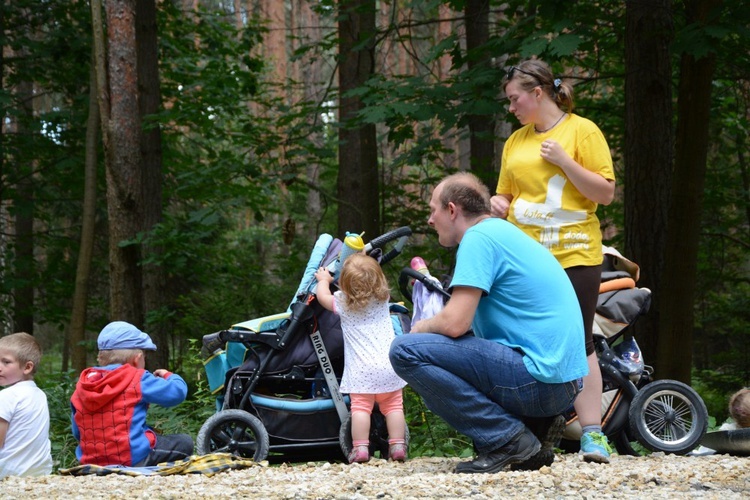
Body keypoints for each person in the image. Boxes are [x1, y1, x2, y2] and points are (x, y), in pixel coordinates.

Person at [390, 172, 587, 474]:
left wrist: (420, 327)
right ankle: (532, 429)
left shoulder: (478, 239)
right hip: (562, 384)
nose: (430, 219)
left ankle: (507, 440)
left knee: (405, 350)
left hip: (539, 379)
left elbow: (455, 323)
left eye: (433, 209)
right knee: (441, 349)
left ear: (452, 210)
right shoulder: (503, 233)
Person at [490, 59, 616, 464]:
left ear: (538, 93)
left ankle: (593, 435)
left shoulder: (583, 131)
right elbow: (506, 197)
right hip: (527, 259)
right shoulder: (515, 142)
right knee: (525, 344)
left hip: (576, 252)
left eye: (514, 99)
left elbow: (605, 193)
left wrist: (565, 160)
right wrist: (499, 203)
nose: (511, 107)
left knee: (580, 342)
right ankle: (531, 433)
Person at [315, 253, 407, 463]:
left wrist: (323, 281)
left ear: (344, 285)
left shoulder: (343, 302)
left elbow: (322, 297)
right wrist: (365, 262)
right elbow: (368, 276)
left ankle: (361, 449)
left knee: (360, 410)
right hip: (389, 367)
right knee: (393, 407)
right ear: (379, 280)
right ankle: (398, 445)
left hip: (361, 372)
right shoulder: (383, 299)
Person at [70, 321, 194, 467]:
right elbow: (177, 393)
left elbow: (77, 432)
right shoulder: (137, 378)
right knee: (185, 442)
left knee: (146, 430)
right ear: (137, 358)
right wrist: (168, 375)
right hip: (133, 458)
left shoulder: (84, 385)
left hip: (91, 461)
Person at [0, 332, 53, 478]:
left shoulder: (6, 396)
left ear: (27, 367)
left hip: (9, 474)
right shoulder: (39, 395)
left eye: (6, 362)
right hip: (40, 473)